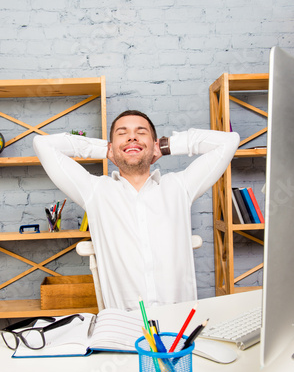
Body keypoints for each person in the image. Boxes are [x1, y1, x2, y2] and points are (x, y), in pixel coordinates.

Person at [33, 110, 239, 310]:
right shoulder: (95, 191)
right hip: (125, 328)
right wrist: (104, 150)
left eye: (141, 133)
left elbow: (229, 141)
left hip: (179, 325)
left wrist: (167, 146)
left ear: (154, 144)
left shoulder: (180, 186)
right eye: (122, 133)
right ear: (112, 147)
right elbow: (42, 144)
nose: (132, 137)